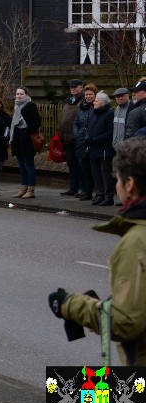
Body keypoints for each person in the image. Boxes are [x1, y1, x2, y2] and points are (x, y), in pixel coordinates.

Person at [49, 137, 146, 366]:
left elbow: (126, 323)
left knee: (68, 396)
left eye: (117, 180)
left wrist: (70, 305)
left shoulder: (135, 242)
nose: (116, 185)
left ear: (129, 185)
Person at [9, 86, 41, 199]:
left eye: (21, 94)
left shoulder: (30, 106)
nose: (19, 96)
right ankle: (23, 188)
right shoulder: (17, 106)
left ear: (27, 95)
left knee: (29, 166)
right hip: (18, 140)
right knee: (21, 166)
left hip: (27, 141)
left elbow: (37, 122)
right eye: (17, 94)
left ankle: (31, 190)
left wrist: (25, 131)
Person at [87, 92, 116, 206]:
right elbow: (88, 128)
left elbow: (110, 132)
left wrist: (95, 140)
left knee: (105, 173)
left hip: (104, 148)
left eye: (96, 101)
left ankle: (108, 196)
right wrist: (88, 138)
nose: (94, 102)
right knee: (96, 173)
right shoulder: (93, 113)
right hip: (93, 148)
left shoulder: (109, 114)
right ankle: (100, 194)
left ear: (102, 103)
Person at [58, 79, 84, 196]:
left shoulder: (84, 101)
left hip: (78, 138)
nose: (72, 89)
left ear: (81, 87)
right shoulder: (69, 101)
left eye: (75, 87)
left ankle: (83, 188)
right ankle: (73, 188)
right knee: (71, 164)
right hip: (67, 138)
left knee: (81, 164)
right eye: (71, 87)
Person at [74, 84, 98, 201]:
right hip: (80, 141)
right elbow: (76, 123)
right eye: (86, 94)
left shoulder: (97, 107)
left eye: (90, 94)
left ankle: (92, 191)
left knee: (92, 168)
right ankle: (85, 190)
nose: (88, 96)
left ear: (95, 95)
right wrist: (77, 134)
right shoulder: (81, 108)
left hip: (91, 141)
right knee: (83, 167)